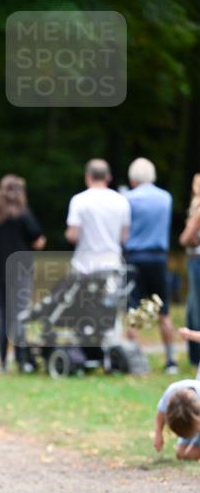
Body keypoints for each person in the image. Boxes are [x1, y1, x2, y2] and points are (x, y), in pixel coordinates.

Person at [0, 174, 46, 372]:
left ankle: (2, 362)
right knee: (19, 316)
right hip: (20, 271)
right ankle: (22, 360)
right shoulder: (23, 214)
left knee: (3, 316)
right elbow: (38, 239)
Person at [123, 158, 177, 373]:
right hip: (158, 258)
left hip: (134, 257)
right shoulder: (165, 198)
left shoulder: (127, 198)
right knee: (163, 311)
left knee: (133, 308)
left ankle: (136, 360)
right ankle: (171, 359)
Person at [65, 159, 130, 274]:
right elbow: (124, 237)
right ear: (108, 177)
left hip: (84, 266)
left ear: (88, 176)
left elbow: (73, 235)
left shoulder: (79, 200)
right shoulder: (122, 200)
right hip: (112, 264)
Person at [180, 174, 200, 370]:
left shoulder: (199, 210)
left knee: (195, 308)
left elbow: (186, 237)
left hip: (197, 259)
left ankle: (196, 357)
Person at [153, 378, 200, 461]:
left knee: (191, 455)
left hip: (194, 419)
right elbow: (161, 413)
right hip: (189, 419)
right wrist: (158, 434)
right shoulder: (171, 392)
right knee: (181, 454)